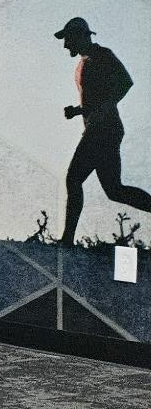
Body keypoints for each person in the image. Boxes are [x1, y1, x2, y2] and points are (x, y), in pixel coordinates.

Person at [56, 16, 151, 247]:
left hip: (104, 131)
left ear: (81, 36)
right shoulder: (81, 64)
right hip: (100, 129)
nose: (65, 44)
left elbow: (125, 82)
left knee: (73, 179)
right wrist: (78, 111)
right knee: (114, 190)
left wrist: (104, 109)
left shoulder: (102, 55)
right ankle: (67, 240)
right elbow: (96, 100)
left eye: (68, 39)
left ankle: (67, 241)